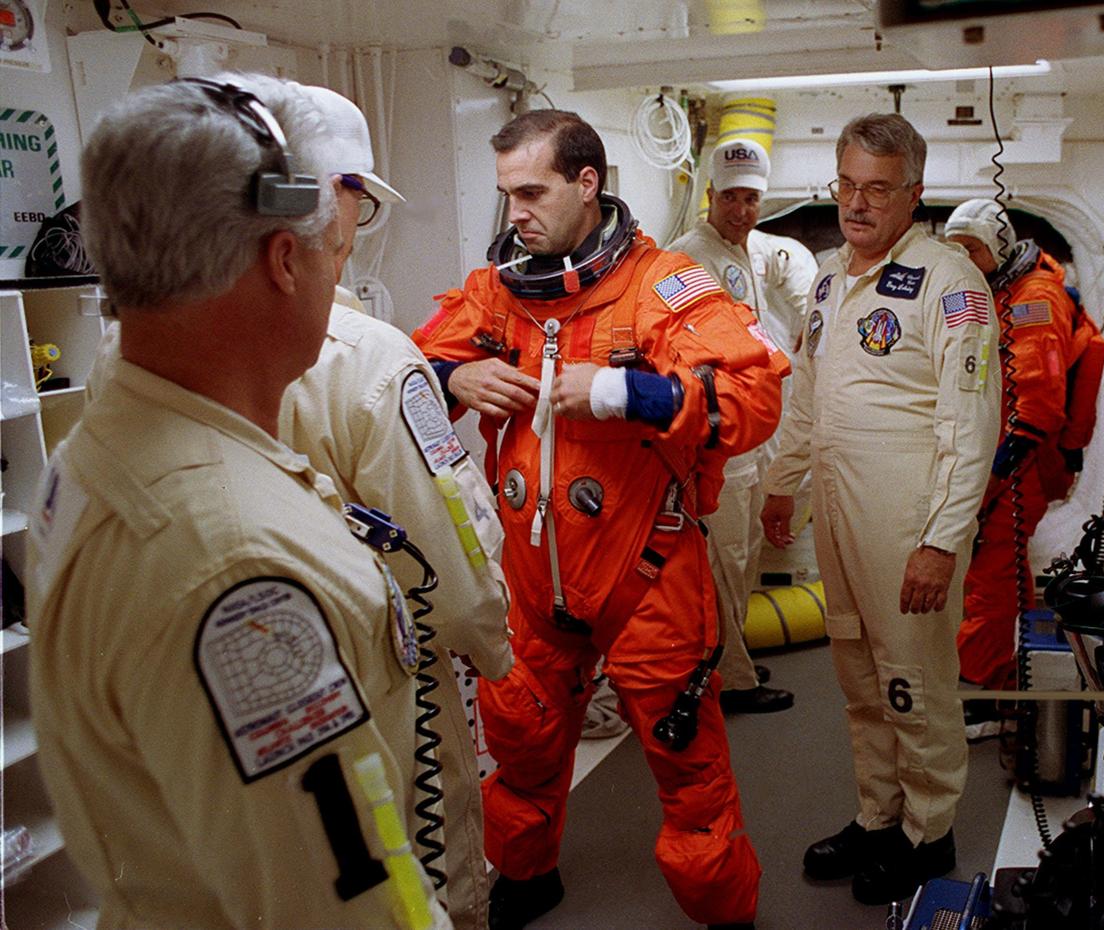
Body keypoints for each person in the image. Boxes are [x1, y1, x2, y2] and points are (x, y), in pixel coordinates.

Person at [25, 75, 450, 928]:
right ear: (284, 261)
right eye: (330, 247)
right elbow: (348, 905)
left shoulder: (92, 456)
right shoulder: (239, 569)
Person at [413, 109, 788, 930]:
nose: (516, 211)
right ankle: (526, 874)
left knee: (689, 767)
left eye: (532, 191)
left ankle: (723, 912)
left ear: (588, 184)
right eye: (507, 193)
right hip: (532, 571)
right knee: (519, 742)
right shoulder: (496, 292)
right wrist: (458, 378)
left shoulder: (665, 287)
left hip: (644, 570)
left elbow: (755, 398)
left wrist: (619, 391)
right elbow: (416, 365)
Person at [277, 84, 512, 930]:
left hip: (257, 699)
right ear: (334, 196)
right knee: (432, 861)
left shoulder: (144, 351)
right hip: (383, 674)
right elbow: (447, 540)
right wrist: (494, 646)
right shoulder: (370, 358)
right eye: (359, 202)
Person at [760, 113, 1001, 905]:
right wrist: (781, 486)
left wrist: (941, 540)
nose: (857, 205)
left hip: (907, 519)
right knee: (861, 679)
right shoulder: (831, 279)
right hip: (836, 510)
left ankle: (929, 834)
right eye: (847, 185)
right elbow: (807, 393)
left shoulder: (950, 282)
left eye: (877, 189)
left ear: (914, 194)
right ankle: (878, 815)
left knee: (915, 682)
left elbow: (971, 421)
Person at [669, 137, 817, 715]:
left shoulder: (751, 252)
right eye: (730, 197)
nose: (741, 210)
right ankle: (731, 680)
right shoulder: (688, 257)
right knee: (723, 560)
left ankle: (736, 657)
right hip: (715, 443)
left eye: (751, 198)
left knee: (746, 552)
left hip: (748, 438)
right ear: (710, 195)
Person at [943, 198, 1104, 702]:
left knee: (989, 575)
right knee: (997, 569)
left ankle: (982, 686)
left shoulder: (1034, 300)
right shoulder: (997, 289)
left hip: (1021, 462)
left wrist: (992, 476)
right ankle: (1000, 669)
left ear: (998, 245)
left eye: (972, 248)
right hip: (997, 455)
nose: (964, 260)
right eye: (957, 251)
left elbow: (1038, 406)